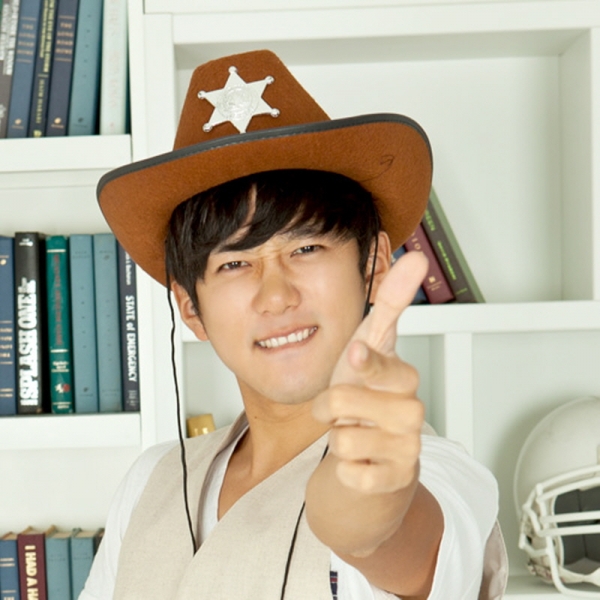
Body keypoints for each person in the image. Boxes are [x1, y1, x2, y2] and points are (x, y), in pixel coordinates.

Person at [82, 49, 507, 599]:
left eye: (306, 248)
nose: (277, 296)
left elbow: (382, 537)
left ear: (375, 265)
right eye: (234, 264)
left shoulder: (441, 478)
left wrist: (368, 501)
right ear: (189, 307)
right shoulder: (151, 480)